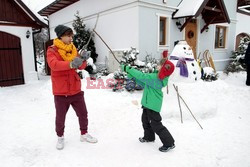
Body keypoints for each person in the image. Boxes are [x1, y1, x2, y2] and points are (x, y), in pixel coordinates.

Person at [47, 24, 97, 150]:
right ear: (61, 36)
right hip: (61, 90)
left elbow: (79, 66)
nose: (71, 38)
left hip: (75, 88)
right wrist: (70, 63)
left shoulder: (73, 49)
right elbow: (54, 65)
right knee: (60, 117)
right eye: (68, 36)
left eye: (71, 36)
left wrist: (83, 59)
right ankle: (60, 137)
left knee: (83, 113)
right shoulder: (52, 50)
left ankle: (84, 134)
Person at [120, 58, 175, 152]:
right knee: (145, 121)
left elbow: (142, 76)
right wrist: (133, 78)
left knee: (156, 124)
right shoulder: (155, 76)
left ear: (163, 68)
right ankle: (149, 137)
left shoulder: (157, 79)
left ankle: (169, 143)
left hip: (153, 105)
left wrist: (128, 69)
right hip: (147, 103)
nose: (157, 65)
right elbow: (144, 83)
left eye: (159, 65)